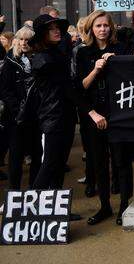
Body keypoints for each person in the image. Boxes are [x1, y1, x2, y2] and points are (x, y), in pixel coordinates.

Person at [76, 10, 133, 225]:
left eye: (106, 25)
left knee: (121, 161)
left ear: (112, 28)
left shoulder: (120, 48)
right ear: (91, 28)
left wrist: (117, 60)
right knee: (99, 162)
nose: (102, 29)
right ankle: (105, 206)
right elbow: (80, 87)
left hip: (118, 114)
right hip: (94, 115)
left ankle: (124, 206)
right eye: (98, 26)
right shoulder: (83, 53)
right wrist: (95, 69)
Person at [27, 14, 79, 191]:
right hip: (53, 117)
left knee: (59, 163)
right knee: (50, 163)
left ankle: (56, 207)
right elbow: (65, 87)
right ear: (43, 33)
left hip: (65, 115)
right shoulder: (43, 59)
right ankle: (29, 207)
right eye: (51, 29)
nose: (57, 31)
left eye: (58, 27)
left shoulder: (56, 53)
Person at [0, 26, 41, 190]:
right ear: (16, 40)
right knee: (16, 156)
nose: (24, 43)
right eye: (21, 39)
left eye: (28, 40)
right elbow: (4, 90)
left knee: (37, 153)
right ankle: (14, 193)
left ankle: (34, 190)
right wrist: (17, 109)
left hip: (36, 116)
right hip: (15, 117)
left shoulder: (38, 58)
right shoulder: (10, 61)